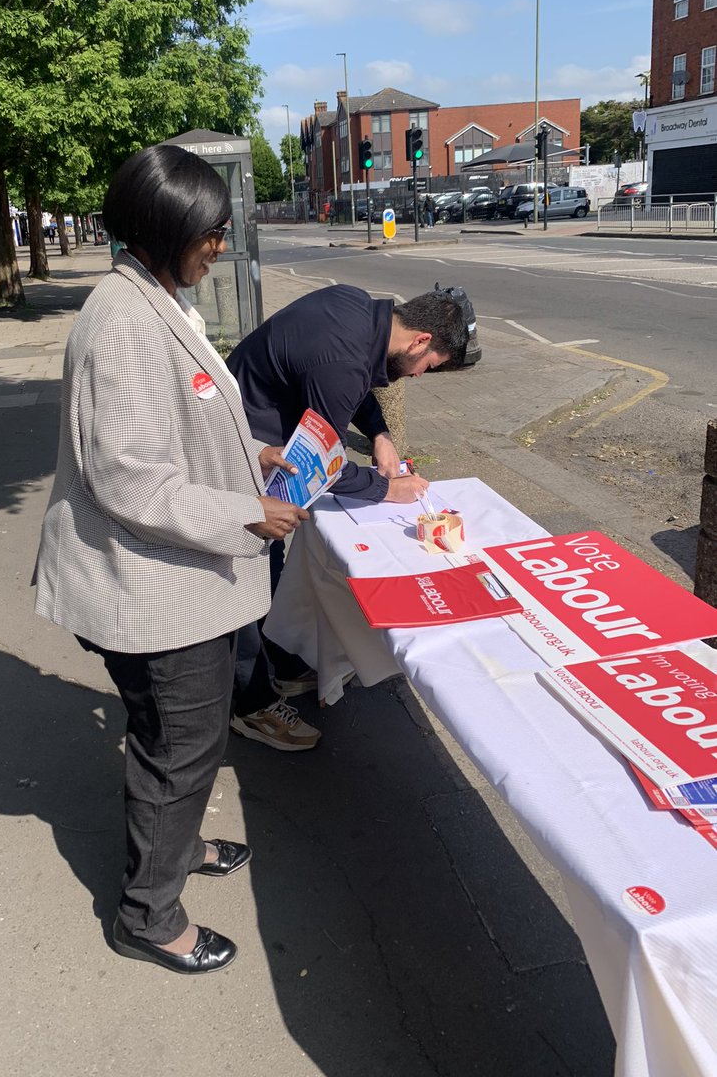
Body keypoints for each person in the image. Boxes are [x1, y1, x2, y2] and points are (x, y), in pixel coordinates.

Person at [34, 144, 307, 975]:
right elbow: (131, 480)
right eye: (209, 233)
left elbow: (182, 428)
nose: (219, 246)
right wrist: (245, 513)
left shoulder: (153, 298)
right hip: (149, 594)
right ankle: (149, 917)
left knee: (176, 738)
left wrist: (254, 457)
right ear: (162, 228)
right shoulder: (123, 322)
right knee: (180, 747)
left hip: (166, 581)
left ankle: (176, 848)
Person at [225, 284, 469, 742]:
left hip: (260, 426)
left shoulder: (357, 310)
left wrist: (380, 434)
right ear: (419, 340)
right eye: (428, 365)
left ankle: (280, 666)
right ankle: (251, 704)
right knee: (249, 578)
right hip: (247, 450)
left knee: (270, 570)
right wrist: (387, 489)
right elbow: (324, 465)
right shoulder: (343, 358)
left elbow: (348, 385)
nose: (419, 375)